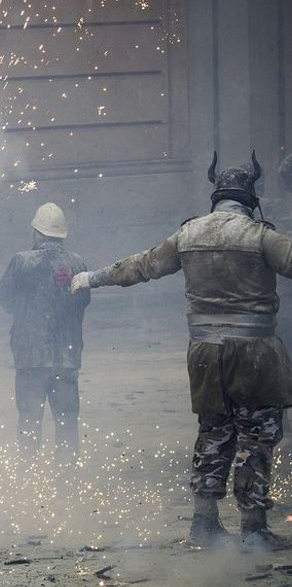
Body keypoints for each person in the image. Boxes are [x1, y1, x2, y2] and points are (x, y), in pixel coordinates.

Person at [71, 152, 292, 550]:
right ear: (249, 198)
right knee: (255, 438)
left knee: (213, 433)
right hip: (254, 354)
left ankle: (203, 524)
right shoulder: (260, 236)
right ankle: (254, 529)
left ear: (216, 196)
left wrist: (93, 277)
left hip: (204, 354)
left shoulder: (188, 235)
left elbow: (141, 266)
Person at [0, 202, 90, 462]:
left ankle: (29, 474)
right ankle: (67, 474)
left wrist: (27, 309)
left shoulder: (21, 261)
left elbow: (3, 298)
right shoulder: (77, 263)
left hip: (30, 357)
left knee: (29, 419)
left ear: (37, 233)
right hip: (66, 357)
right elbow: (83, 301)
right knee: (67, 420)